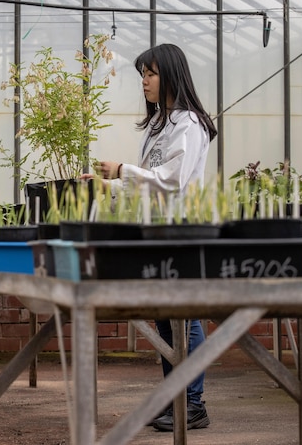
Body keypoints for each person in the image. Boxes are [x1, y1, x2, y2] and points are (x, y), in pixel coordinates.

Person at [93, 43, 217, 432]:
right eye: (141, 75)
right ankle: (175, 397)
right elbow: (146, 186)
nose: (143, 81)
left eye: (150, 73)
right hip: (158, 231)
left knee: (185, 318)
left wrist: (123, 169)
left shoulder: (189, 124)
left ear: (170, 75)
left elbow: (173, 181)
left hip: (181, 231)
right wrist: (107, 185)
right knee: (166, 319)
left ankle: (192, 403)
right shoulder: (162, 124)